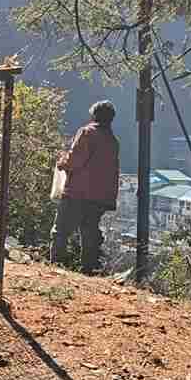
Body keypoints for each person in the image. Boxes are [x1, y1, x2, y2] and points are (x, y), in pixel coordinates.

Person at [51, 100, 121, 274]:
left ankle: (57, 265)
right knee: (89, 233)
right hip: (100, 197)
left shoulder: (87, 133)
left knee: (61, 230)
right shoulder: (113, 141)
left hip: (78, 192)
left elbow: (75, 160)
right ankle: (88, 269)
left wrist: (62, 163)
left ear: (94, 115)